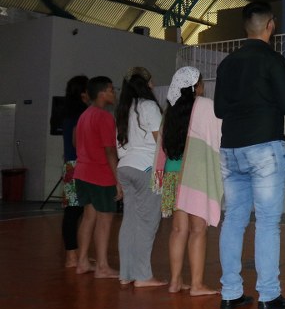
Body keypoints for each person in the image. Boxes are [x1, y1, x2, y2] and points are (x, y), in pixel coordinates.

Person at [214, 1, 285, 309]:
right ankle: (268, 295)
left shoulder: (227, 64)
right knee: (267, 222)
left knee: (233, 219)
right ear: (271, 26)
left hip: (231, 148)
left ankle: (230, 292)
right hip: (264, 147)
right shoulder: (272, 60)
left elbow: (219, 110)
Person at [154, 66, 222, 296]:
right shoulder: (204, 106)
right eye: (201, 83)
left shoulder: (170, 111)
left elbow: (163, 145)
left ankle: (175, 282)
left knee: (178, 229)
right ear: (196, 86)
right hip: (195, 176)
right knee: (198, 230)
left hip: (173, 174)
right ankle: (196, 285)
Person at [115, 68, 165, 287]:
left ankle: (126, 274)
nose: (153, 85)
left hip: (125, 167)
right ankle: (143, 276)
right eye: (151, 82)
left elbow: (119, 145)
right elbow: (160, 142)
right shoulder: (149, 106)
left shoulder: (123, 109)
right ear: (146, 84)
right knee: (147, 223)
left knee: (130, 221)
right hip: (147, 168)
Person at [73, 76, 121, 278]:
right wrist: (118, 180)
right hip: (100, 175)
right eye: (111, 90)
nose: (114, 93)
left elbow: (76, 144)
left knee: (88, 217)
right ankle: (102, 266)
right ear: (102, 93)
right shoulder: (104, 117)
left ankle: (82, 261)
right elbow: (110, 151)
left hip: (82, 173)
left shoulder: (84, 116)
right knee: (105, 219)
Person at [61, 75, 89, 268]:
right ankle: (71, 256)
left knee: (76, 211)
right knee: (74, 211)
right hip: (78, 164)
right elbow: (76, 141)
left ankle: (76, 253)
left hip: (71, 164)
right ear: (83, 93)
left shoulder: (69, 114)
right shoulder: (80, 114)